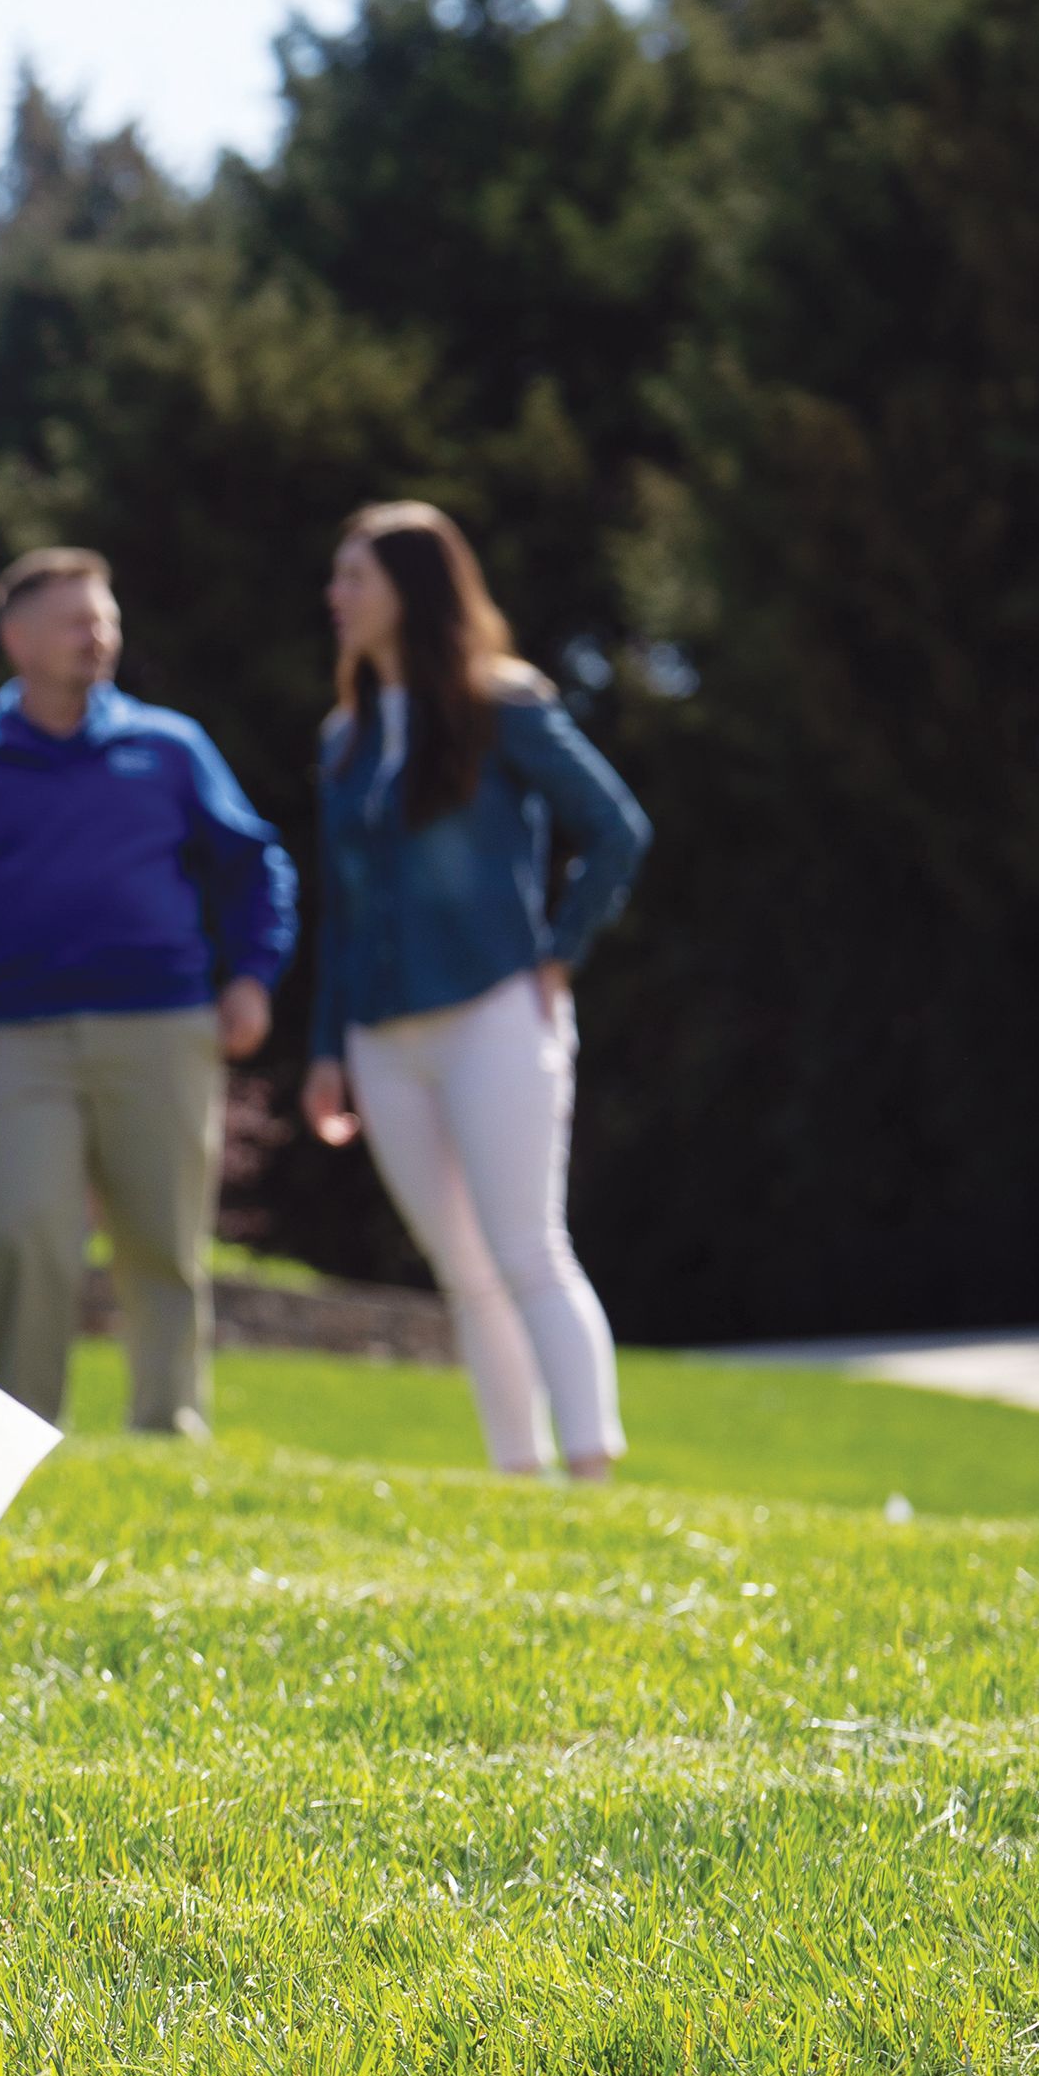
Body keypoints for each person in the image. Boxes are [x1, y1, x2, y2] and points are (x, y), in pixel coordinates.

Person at [0, 547, 294, 1438]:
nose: (100, 636)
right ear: (18, 639)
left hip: (163, 1027)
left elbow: (255, 864)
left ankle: (168, 1426)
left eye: (106, 618)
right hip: (13, 1041)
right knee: (24, 1233)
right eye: (77, 621)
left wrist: (252, 979)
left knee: (163, 1239)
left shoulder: (170, 747)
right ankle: (22, 1436)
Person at [299, 499, 650, 1481]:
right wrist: (327, 1048)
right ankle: (517, 1480)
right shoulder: (345, 740)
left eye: (353, 577)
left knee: (527, 1249)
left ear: (409, 588)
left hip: (499, 1014)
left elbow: (617, 827)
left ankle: (592, 1476)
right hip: (382, 1042)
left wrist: (559, 949)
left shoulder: (503, 705)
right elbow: (343, 906)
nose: (336, 596)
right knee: (463, 1273)